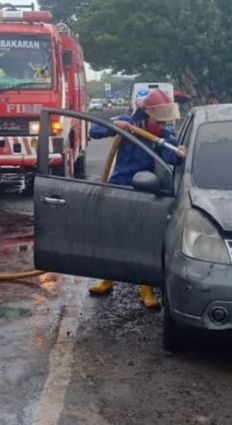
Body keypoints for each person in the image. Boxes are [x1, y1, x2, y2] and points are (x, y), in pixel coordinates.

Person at [88, 89, 187, 308]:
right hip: (117, 187)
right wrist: (114, 126)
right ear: (145, 115)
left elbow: (171, 155)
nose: (162, 125)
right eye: (158, 121)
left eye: (164, 122)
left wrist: (180, 152)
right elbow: (94, 132)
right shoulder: (127, 123)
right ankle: (106, 278)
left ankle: (146, 287)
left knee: (143, 239)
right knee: (112, 234)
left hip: (143, 190)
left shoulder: (164, 137)